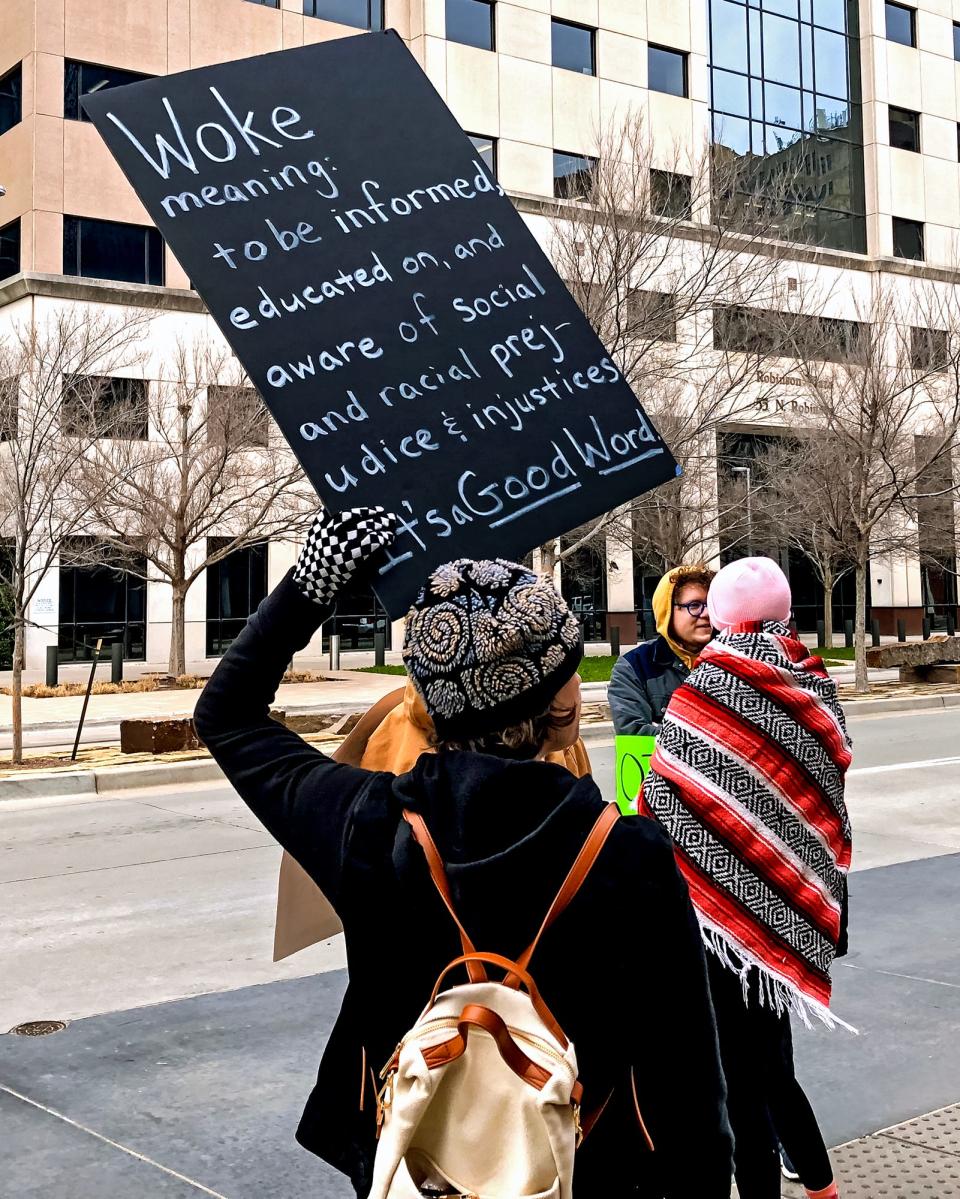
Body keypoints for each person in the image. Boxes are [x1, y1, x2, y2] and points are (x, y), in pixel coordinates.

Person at [194, 508, 733, 1198]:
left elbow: (226, 715)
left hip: (415, 1165)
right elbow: (688, 1089)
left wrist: (311, 584)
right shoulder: (630, 856)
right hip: (585, 1169)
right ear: (560, 701)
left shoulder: (367, 823)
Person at [642, 557, 852, 1199]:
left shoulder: (705, 687)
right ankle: (819, 1183)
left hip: (713, 921)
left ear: (726, 614)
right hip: (787, 901)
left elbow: (662, 794)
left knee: (736, 1073)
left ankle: (765, 1187)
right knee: (772, 1062)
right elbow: (825, 796)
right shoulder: (815, 683)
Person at [273, 679, 592, 961]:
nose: (577, 679)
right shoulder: (404, 727)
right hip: (497, 954)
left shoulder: (394, 720)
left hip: (412, 960)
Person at [608, 564, 715, 737]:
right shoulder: (634, 667)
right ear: (667, 611)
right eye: (694, 605)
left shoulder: (734, 660)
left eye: (711, 604)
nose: (707, 613)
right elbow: (633, 733)